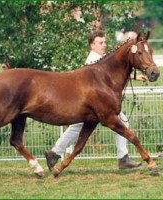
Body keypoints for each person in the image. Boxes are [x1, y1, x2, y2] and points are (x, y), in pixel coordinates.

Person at [45, 30, 148, 171]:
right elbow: (103, 77)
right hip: (92, 103)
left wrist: (134, 77)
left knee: (77, 128)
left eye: (104, 42)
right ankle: (123, 158)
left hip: (91, 104)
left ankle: (54, 153)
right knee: (119, 122)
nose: (104, 45)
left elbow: (111, 73)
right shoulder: (92, 61)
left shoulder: (100, 58)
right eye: (100, 43)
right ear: (92, 45)